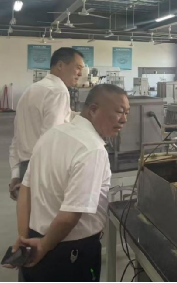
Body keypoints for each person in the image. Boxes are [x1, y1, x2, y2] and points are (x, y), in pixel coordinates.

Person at [6, 84, 130, 283]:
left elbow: (25, 189)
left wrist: (24, 239)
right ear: (93, 109)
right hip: (70, 252)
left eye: (127, 113)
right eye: (119, 112)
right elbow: (70, 215)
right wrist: (43, 246)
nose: (124, 119)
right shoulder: (92, 150)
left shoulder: (51, 135)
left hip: (34, 240)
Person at [8, 48, 85, 200]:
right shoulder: (58, 91)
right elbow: (52, 139)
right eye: (78, 68)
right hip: (44, 170)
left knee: (28, 213)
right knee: (49, 215)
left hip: (25, 167)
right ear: (60, 65)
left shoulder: (30, 90)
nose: (80, 74)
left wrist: (16, 174)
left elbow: (17, 138)